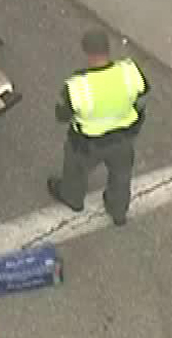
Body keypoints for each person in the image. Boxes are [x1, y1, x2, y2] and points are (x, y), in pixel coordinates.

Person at [48, 29, 149, 226]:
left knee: (75, 170)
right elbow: (143, 95)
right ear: (108, 49)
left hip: (88, 144)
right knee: (121, 176)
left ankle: (73, 198)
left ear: (86, 52)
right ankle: (118, 211)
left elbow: (62, 115)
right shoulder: (129, 71)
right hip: (123, 139)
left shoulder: (77, 86)